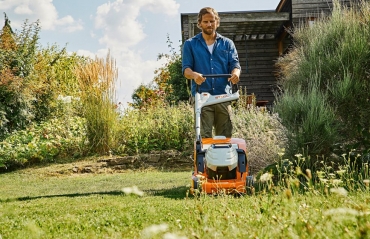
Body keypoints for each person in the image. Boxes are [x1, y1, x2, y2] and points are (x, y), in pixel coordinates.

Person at [182, 7, 241, 138]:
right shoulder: (190, 44)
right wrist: (194, 75)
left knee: (225, 137)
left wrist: (236, 73)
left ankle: (224, 158)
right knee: (204, 137)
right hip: (202, 96)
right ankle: (205, 159)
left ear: (217, 22)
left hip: (223, 96)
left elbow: (235, 65)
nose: (209, 24)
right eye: (206, 21)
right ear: (200, 23)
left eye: (212, 21)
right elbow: (186, 70)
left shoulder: (227, 44)